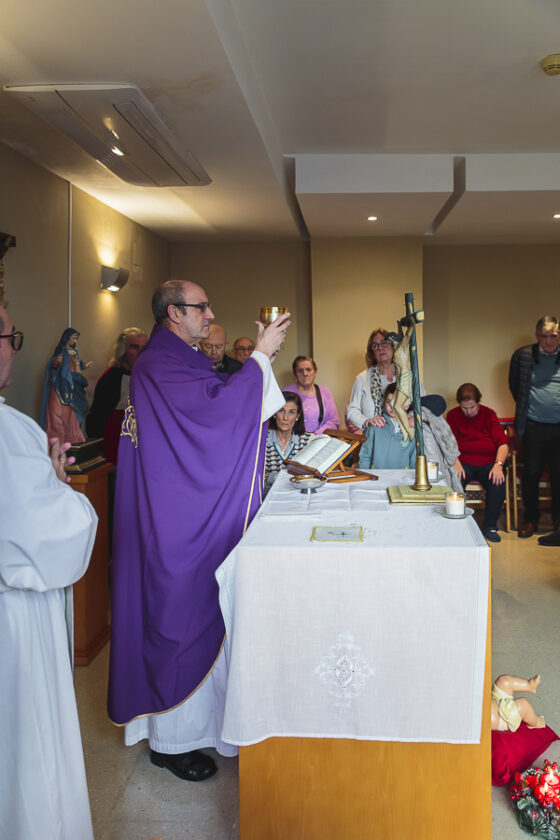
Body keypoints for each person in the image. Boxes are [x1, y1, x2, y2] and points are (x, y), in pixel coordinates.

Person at [107, 279, 289, 782]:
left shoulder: (178, 360)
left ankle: (205, 728)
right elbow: (214, 416)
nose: (209, 314)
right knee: (178, 620)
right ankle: (172, 742)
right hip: (173, 519)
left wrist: (260, 364)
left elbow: (218, 402)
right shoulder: (157, 365)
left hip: (178, 505)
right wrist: (259, 359)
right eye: (201, 307)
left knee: (201, 616)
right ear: (174, 313)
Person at [0, 305, 98, 839]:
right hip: (12, 617)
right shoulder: (10, 433)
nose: (13, 349)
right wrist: (61, 488)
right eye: (9, 336)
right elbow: (51, 540)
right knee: (24, 749)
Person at [509, 315, 560, 541]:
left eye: (554, 336)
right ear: (537, 336)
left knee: (559, 474)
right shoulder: (523, 355)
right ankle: (530, 519)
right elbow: (515, 386)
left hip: (559, 427)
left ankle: (558, 520)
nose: (549, 341)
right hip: (533, 425)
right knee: (531, 473)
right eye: (545, 336)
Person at [447, 383, 509, 543]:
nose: (468, 412)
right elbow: (448, 443)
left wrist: (498, 465)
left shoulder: (489, 414)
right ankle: (457, 525)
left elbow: (503, 444)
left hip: (488, 464)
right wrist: (455, 462)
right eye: (464, 408)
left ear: (478, 402)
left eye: (472, 407)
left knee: (498, 482)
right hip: (463, 462)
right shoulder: (453, 415)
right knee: (454, 479)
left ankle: (490, 526)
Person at [85, 327, 148, 462]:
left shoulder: (148, 377)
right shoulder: (110, 379)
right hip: (116, 451)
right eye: (134, 347)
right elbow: (96, 421)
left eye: (144, 348)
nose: (140, 353)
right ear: (122, 350)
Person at [40, 327, 93, 443]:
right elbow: (53, 363)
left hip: (73, 384)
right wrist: (57, 362)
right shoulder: (62, 351)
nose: (75, 341)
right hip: (61, 384)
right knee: (57, 411)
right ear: (67, 338)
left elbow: (77, 364)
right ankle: (57, 437)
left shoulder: (74, 352)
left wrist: (85, 365)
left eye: (76, 339)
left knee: (71, 412)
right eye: (74, 338)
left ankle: (71, 435)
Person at [346, 327, 396, 433]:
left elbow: (422, 406)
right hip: (373, 436)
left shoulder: (406, 377)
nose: (380, 348)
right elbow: (352, 410)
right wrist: (366, 421)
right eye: (375, 346)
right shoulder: (362, 378)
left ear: (393, 346)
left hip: (403, 438)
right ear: (372, 353)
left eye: (384, 343)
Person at [264, 390, 315, 492]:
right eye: (281, 411)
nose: (285, 418)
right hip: (268, 496)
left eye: (291, 412)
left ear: (297, 416)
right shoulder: (262, 441)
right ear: (275, 413)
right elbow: (255, 477)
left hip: (298, 496)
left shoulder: (309, 440)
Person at [358, 384, 416, 470]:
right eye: (389, 402)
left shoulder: (411, 431)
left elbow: (414, 461)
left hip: (402, 477)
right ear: (384, 402)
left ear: (406, 405)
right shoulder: (374, 428)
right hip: (377, 477)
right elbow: (365, 457)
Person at [286, 355, 340, 434]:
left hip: (319, 439)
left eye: (308, 370)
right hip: (293, 439)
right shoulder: (286, 392)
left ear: (315, 372)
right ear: (295, 374)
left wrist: (316, 436)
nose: (305, 373)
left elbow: (334, 421)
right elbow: (281, 421)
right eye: (300, 371)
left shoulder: (325, 392)